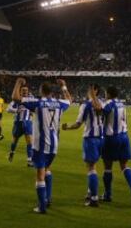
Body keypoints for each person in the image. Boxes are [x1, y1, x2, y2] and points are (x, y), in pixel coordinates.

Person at [12, 77, 72, 214]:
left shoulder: (37, 103)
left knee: (40, 175)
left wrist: (18, 83)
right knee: (47, 169)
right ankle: (48, 198)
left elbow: (15, 97)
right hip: (54, 145)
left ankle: (42, 206)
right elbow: (70, 100)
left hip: (40, 145)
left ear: (41, 90)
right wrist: (64, 86)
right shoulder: (59, 103)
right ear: (51, 92)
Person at [90, 86, 131, 207]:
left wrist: (93, 96)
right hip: (124, 137)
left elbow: (98, 110)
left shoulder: (109, 104)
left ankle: (107, 195)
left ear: (108, 94)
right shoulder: (122, 104)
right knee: (124, 166)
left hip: (111, 138)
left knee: (108, 166)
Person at [62, 84, 104, 207]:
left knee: (91, 168)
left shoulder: (85, 105)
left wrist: (67, 127)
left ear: (95, 90)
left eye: (89, 89)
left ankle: (94, 199)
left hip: (90, 139)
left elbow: (78, 124)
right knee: (94, 165)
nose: (87, 91)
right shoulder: (103, 103)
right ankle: (90, 191)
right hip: (101, 139)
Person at [7, 85, 33, 167]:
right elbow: (8, 109)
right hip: (18, 123)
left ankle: (29, 160)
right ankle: (12, 152)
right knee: (15, 140)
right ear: (20, 91)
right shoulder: (16, 100)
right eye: (23, 90)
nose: (25, 91)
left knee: (29, 141)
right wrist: (16, 110)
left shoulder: (30, 100)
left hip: (28, 122)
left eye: (26, 90)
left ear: (28, 91)